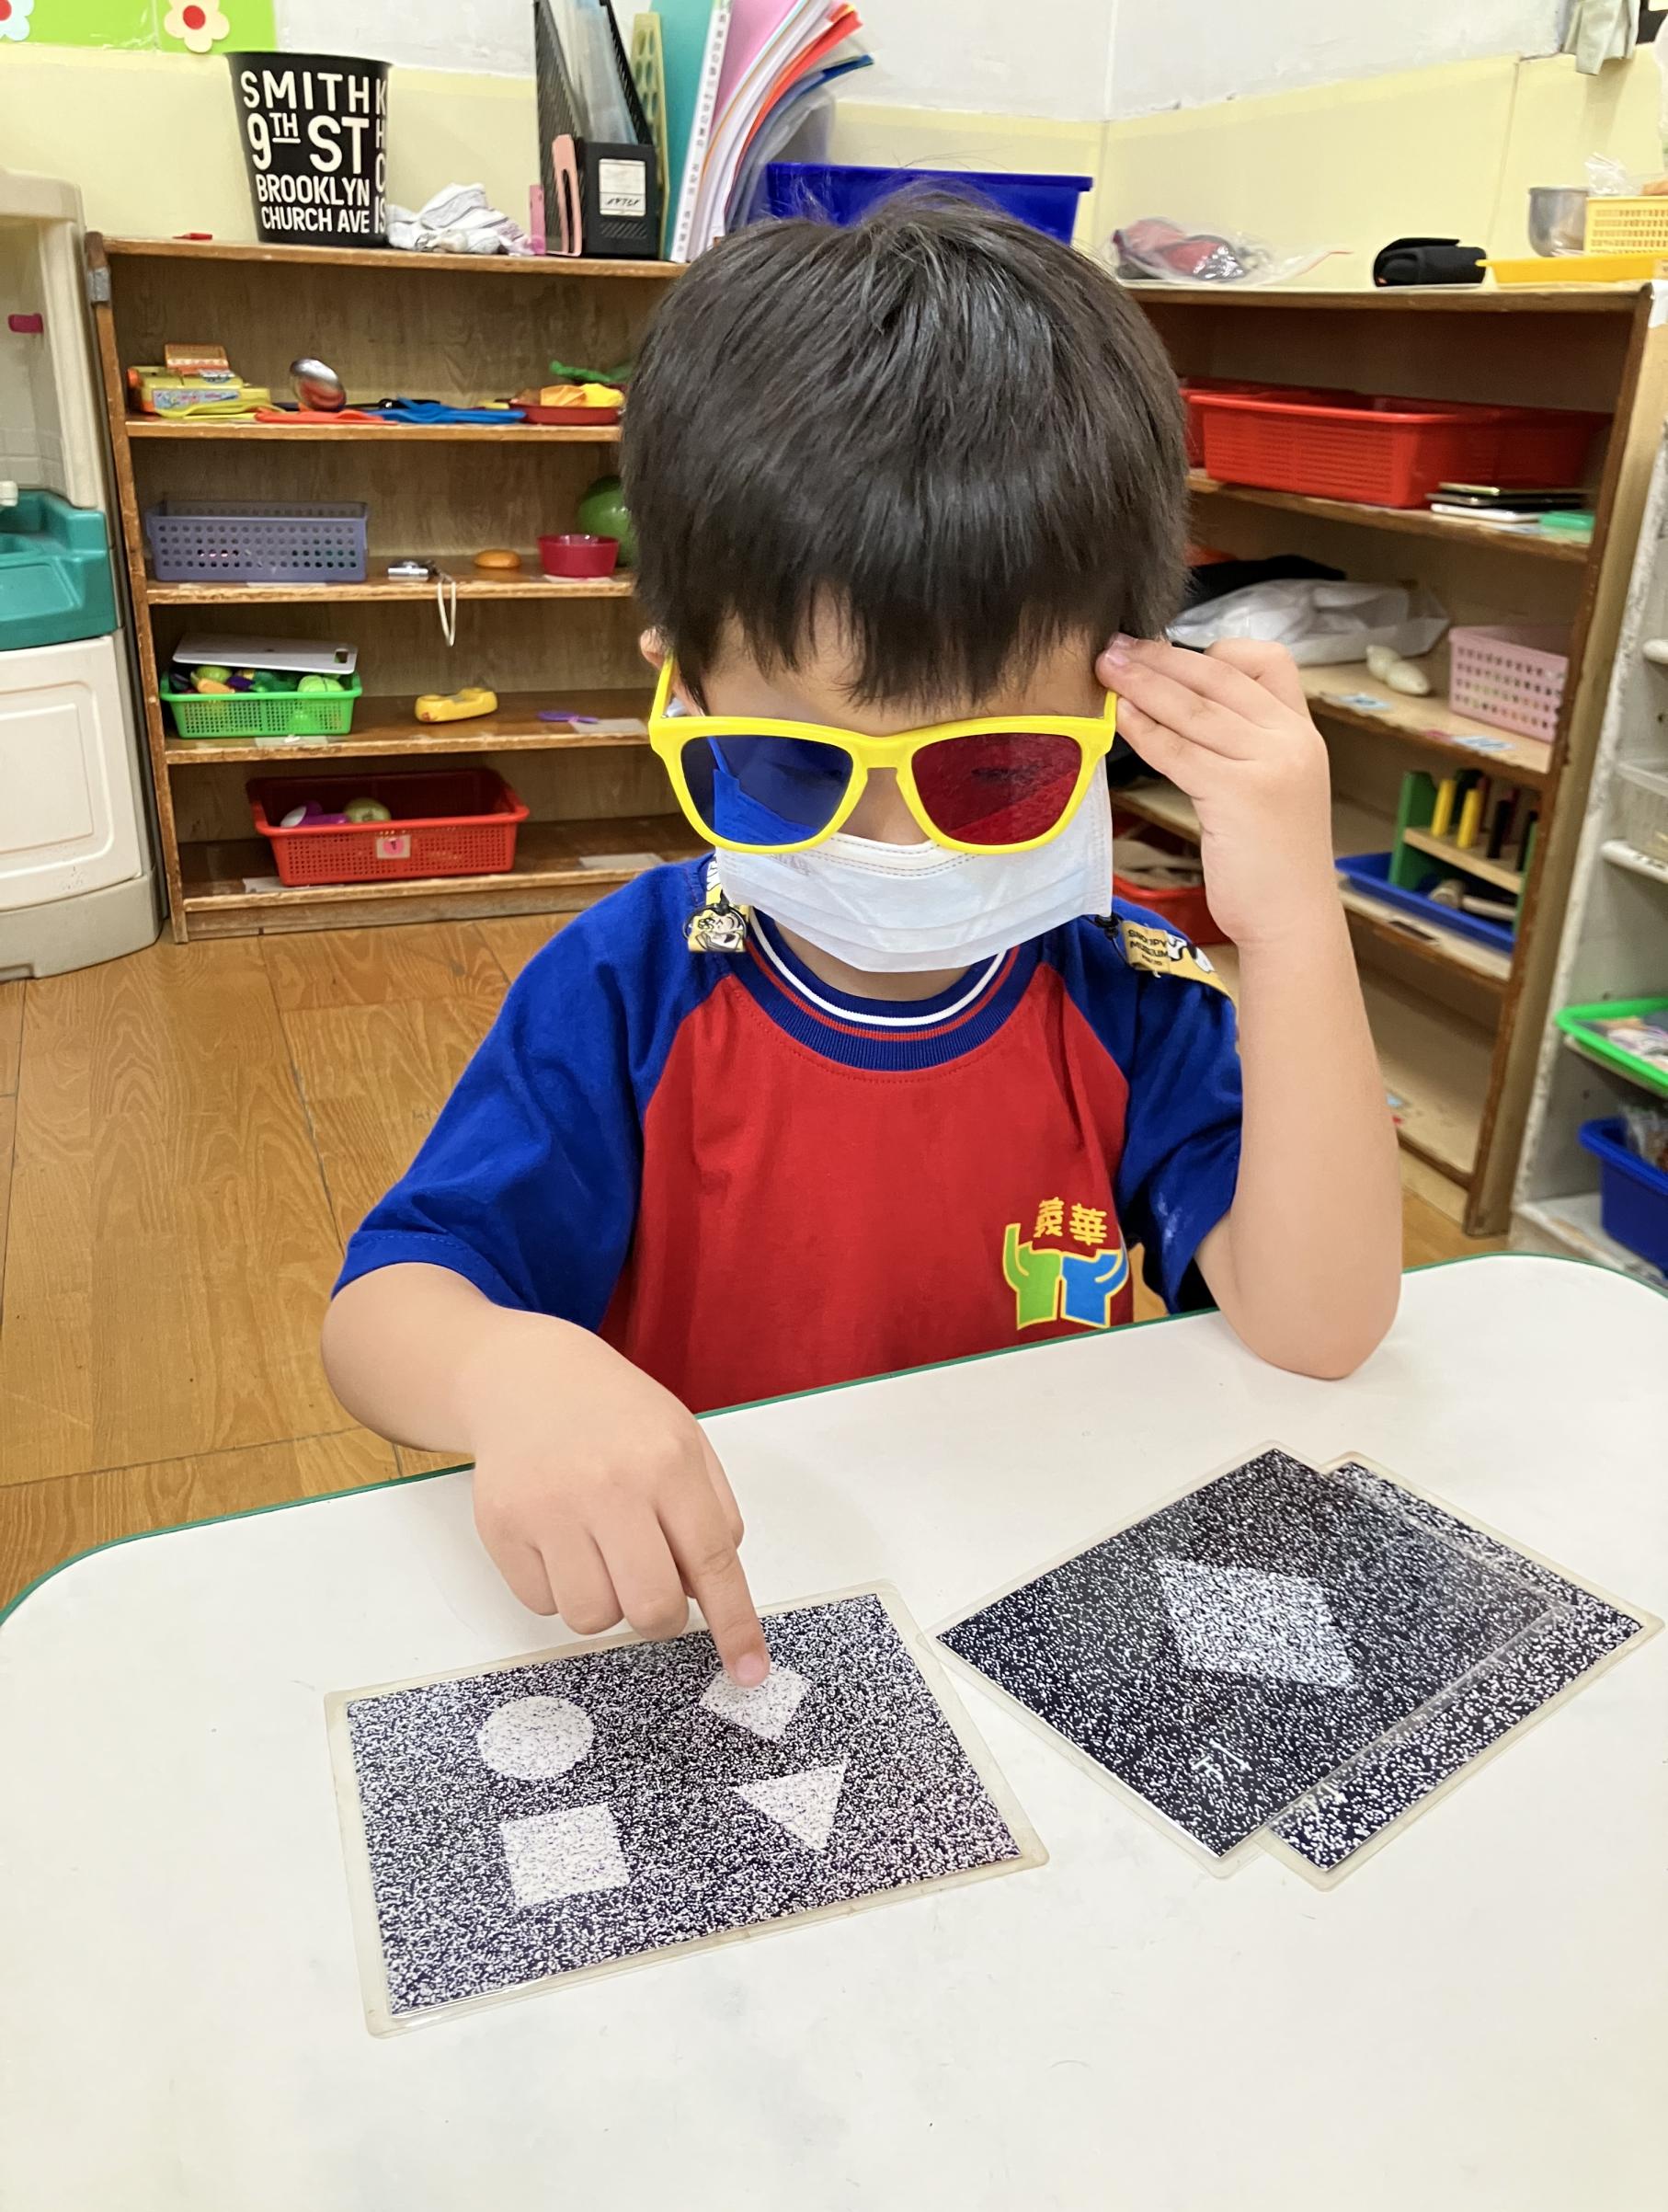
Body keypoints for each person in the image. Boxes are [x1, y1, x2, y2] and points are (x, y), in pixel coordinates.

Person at [322, 199, 1401, 1691]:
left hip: (1031, 1595)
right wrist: (505, 1370)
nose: (892, 846)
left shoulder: (1121, 986)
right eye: (791, 768)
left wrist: (1287, 926)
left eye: (991, 774)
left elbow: (1321, 1327)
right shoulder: (627, 986)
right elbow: (384, 1307)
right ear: (682, 691)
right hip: (733, 1615)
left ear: (1125, 707)